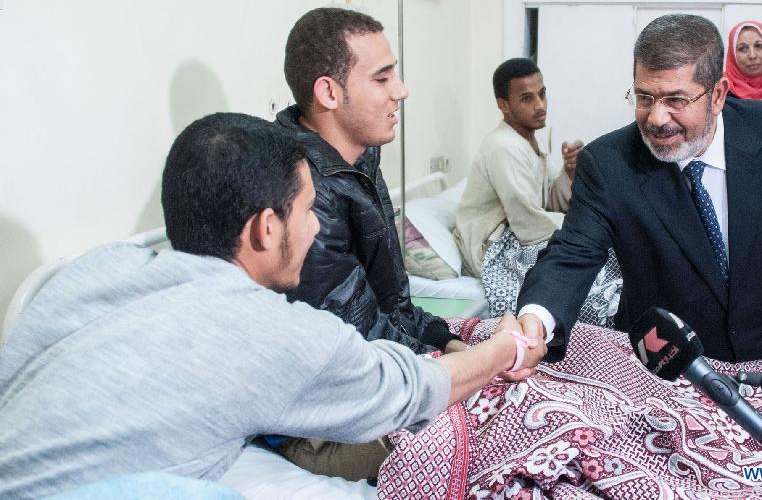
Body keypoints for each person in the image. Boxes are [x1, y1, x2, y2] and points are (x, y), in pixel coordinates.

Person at [0, 113, 543, 498]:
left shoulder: (92, 271)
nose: (315, 225)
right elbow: (413, 389)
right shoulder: (265, 329)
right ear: (264, 228)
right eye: (308, 210)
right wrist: (503, 348)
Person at [515, 14, 762, 365]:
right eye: (644, 97)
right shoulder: (609, 164)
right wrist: (536, 319)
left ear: (717, 95)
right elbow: (572, 253)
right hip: (671, 368)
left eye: (676, 100)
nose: (657, 118)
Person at [272, 7, 468, 478]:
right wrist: (459, 368)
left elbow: (388, 301)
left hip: (380, 357)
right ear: (329, 92)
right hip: (328, 415)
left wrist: (447, 340)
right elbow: (356, 336)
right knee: (511, 413)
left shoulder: (359, 157)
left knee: (547, 358)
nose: (401, 91)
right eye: (383, 78)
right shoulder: (304, 193)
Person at [454, 57, 583, 276]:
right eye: (527, 98)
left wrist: (570, 170)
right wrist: (585, 225)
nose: (540, 105)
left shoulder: (533, 138)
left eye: (542, 93)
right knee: (581, 263)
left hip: (523, 233)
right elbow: (528, 222)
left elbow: (547, 202)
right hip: (492, 246)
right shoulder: (503, 148)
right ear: (503, 105)